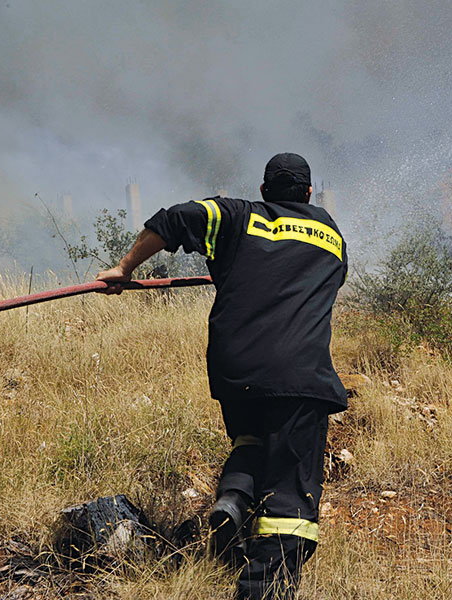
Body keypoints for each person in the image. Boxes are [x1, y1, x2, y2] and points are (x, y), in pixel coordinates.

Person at [96, 153, 347, 599]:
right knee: (290, 500)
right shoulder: (331, 235)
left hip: (238, 367)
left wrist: (125, 268)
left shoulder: (236, 214)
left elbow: (173, 219)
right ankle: (261, 588)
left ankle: (234, 496)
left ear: (265, 191)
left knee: (252, 439)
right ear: (308, 194)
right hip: (299, 374)